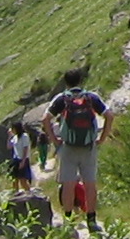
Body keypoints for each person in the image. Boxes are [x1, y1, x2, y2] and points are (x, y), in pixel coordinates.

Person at [44, 77, 111, 227]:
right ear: (81, 81)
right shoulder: (91, 97)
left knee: (68, 184)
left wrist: (55, 140)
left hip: (68, 147)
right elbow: (109, 115)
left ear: (66, 83)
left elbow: (45, 119)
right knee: (90, 184)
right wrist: (102, 138)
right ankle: (91, 219)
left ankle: (68, 219)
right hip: (88, 147)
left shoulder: (62, 99)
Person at [5, 120, 35, 192]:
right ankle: (16, 193)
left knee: (23, 180)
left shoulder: (24, 136)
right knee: (14, 180)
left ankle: (29, 193)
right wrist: (9, 136)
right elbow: (9, 146)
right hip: (16, 159)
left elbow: (25, 148)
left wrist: (23, 161)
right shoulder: (15, 137)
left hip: (23, 159)